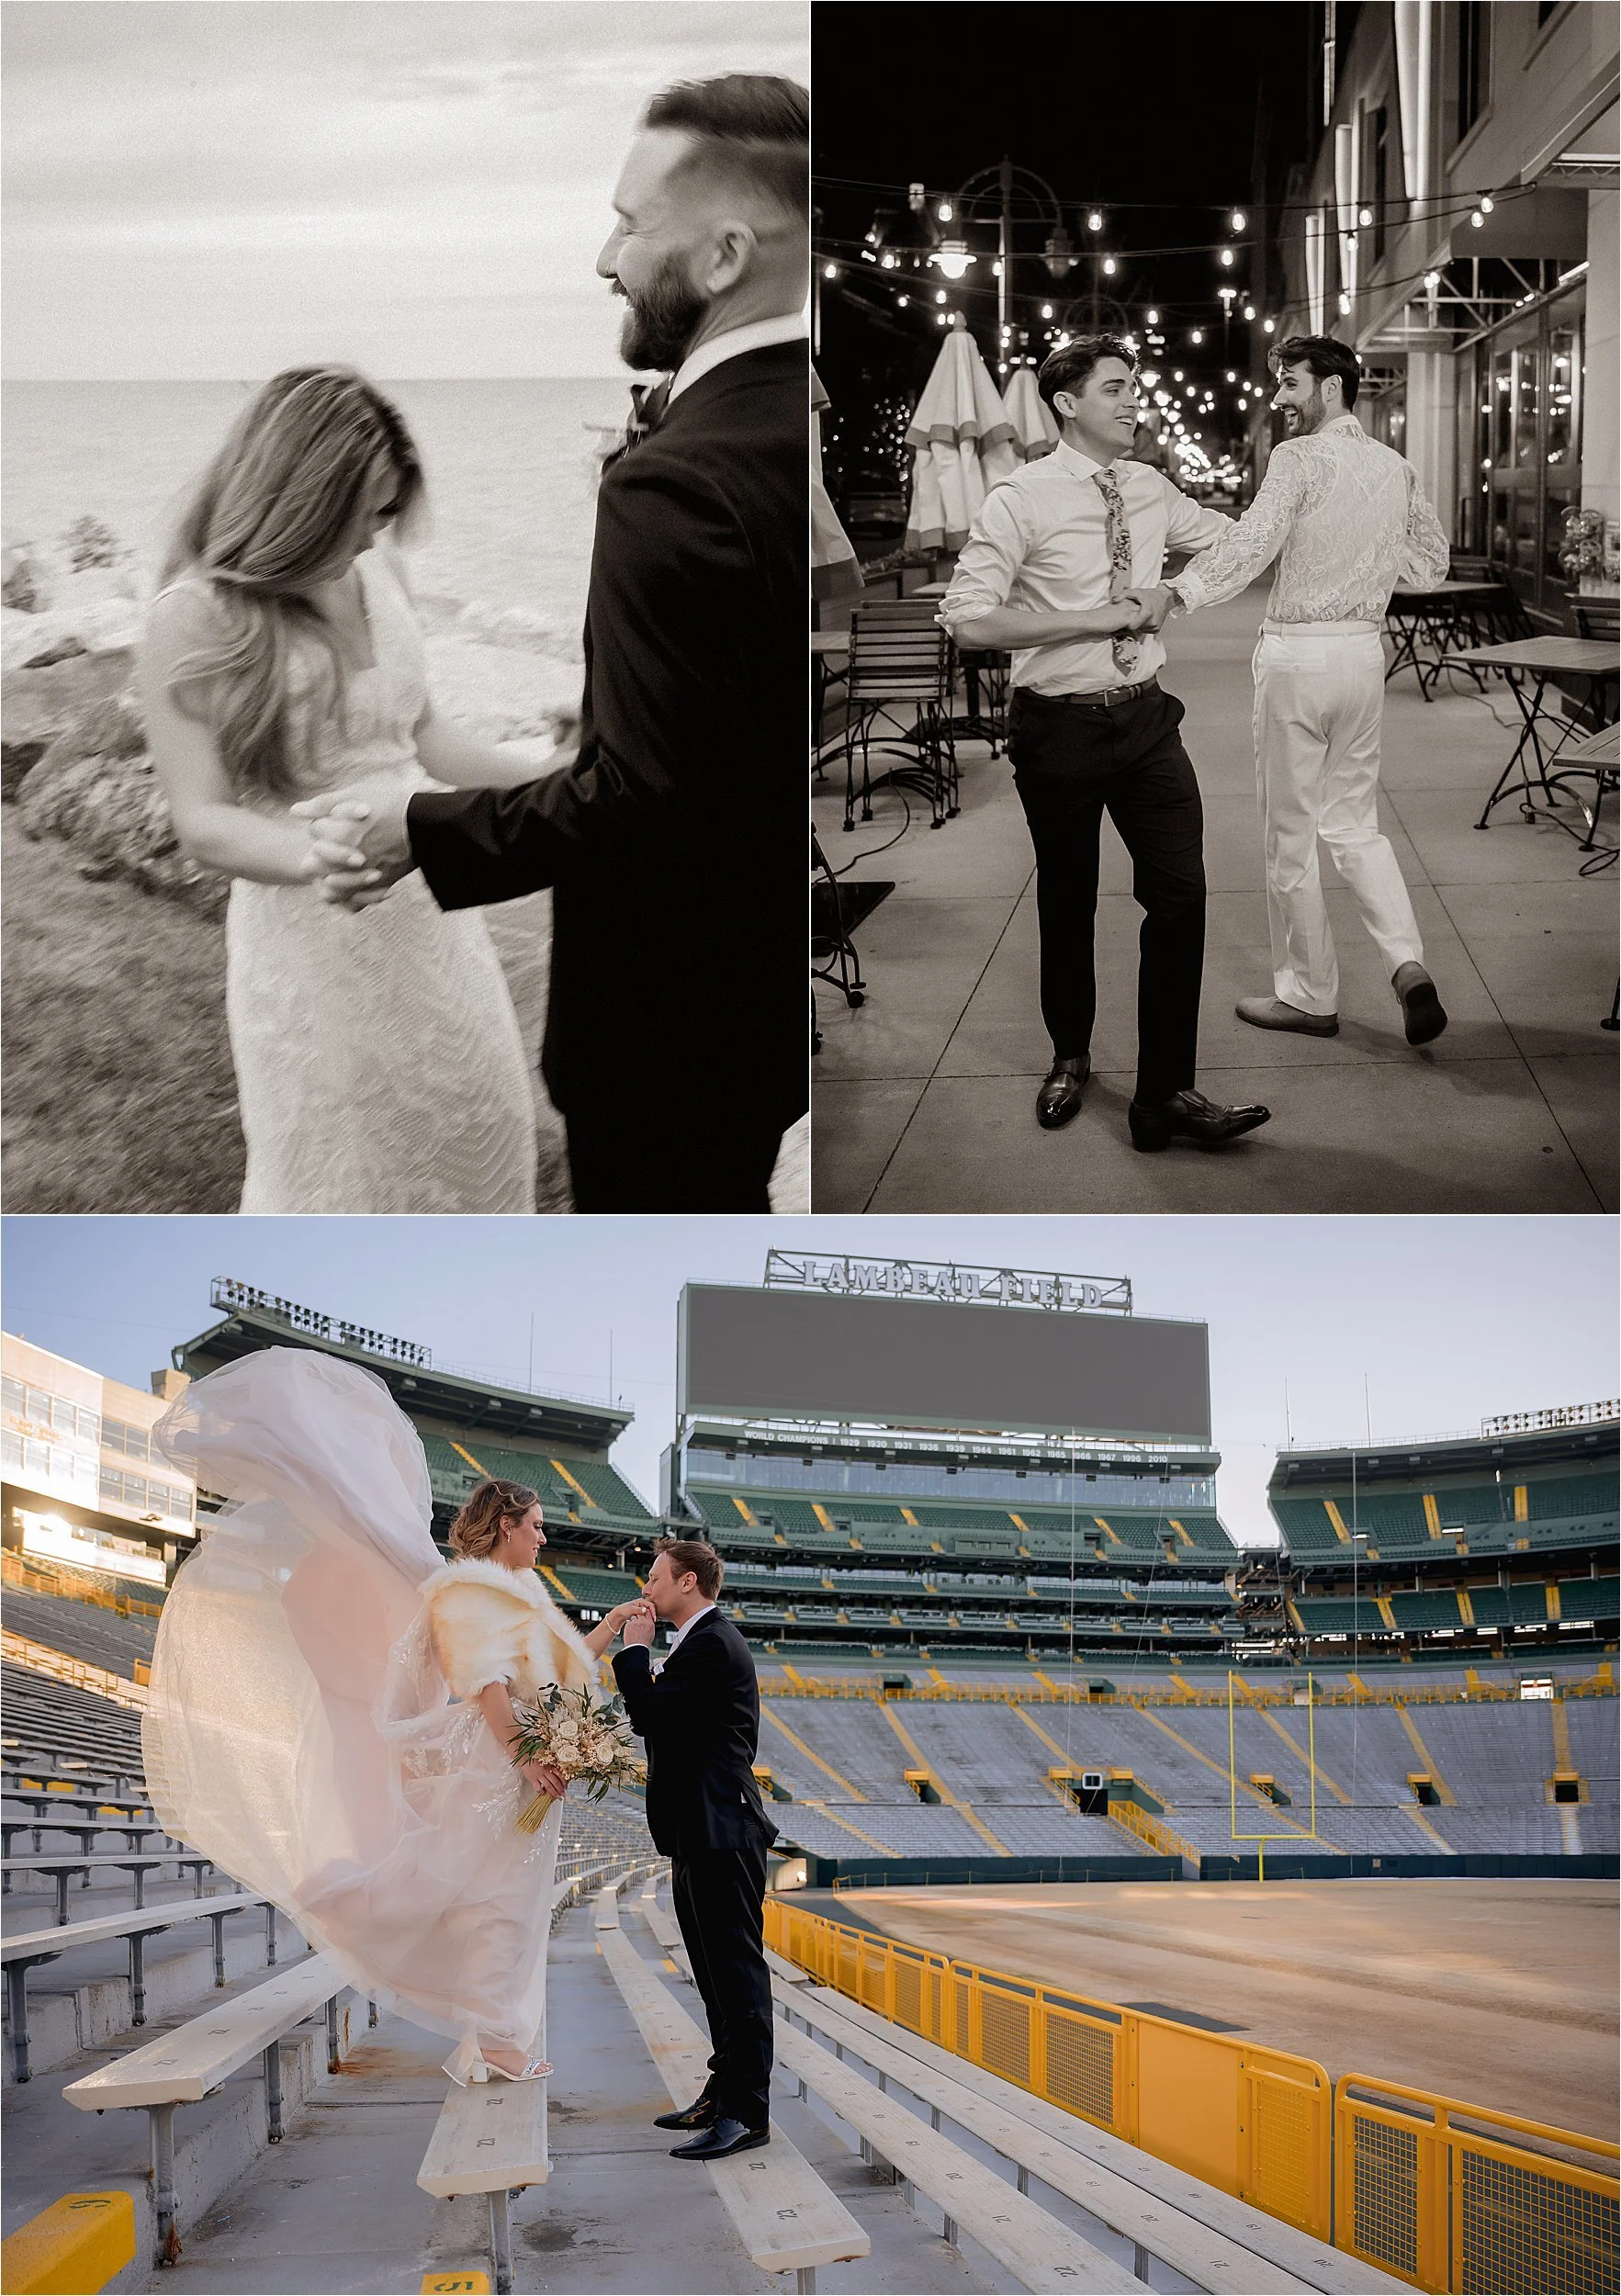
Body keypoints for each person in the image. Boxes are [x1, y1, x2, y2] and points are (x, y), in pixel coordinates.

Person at [294, 75, 810, 1212]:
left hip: (664, 1018)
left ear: (724, 256)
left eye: (629, 226)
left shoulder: (677, 478)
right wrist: (622, 716)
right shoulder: (788, 423)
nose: (603, 259)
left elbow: (641, 804)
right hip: (755, 997)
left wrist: (415, 829)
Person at [141, 1349, 653, 2088]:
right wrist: (527, 1757)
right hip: (503, 1765)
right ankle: (484, 2024)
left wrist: (610, 1631)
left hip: (522, 1766)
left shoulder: (509, 1594)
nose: (544, 1536)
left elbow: (556, 1670)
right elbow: (483, 1683)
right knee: (495, 1901)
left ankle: (488, 2028)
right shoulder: (475, 1590)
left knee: (498, 1898)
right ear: (505, 1524)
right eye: (535, 1524)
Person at [141, 366, 551, 1215]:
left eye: (388, 513)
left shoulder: (380, 576)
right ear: (299, 504)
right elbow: (201, 817)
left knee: (480, 1129)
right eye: (363, 513)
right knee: (342, 1178)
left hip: (433, 921)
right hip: (310, 935)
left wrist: (564, 767)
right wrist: (315, 856)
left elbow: (429, 741)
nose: (375, 537)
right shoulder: (190, 617)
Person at [940, 335, 1271, 1153]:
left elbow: (1235, 540)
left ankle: (1162, 1095)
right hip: (1059, 729)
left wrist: (1170, 591)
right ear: (1067, 403)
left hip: (1149, 718)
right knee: (1068, 901)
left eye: (1134, 387)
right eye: (1117, 388)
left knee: (1182, 899)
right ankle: (1070, 1055)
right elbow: (969, 618)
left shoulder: (1152, 488)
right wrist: (1098, 616)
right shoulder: (1017, 499)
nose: (1133, 402)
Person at [1132, 335, 1451, 1046]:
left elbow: (1251, 545)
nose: (1277, 399)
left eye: (1289, 383)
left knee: (1291, 836)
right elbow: (1430, 567)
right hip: (1362, 658)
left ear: (1331, 387)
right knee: (1354, 824)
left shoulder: (1297, 459)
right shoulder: (1395, 467)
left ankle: (1308, 995)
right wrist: (1361, 557)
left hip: (1298, 659)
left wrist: (1175, 593)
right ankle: (1405, 962)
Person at [613, 1537, 778, 2160]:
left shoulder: (712, 1642)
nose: (646, 1587)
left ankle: (747, 2113)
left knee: (736, 1976)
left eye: (654, 1577)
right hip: (699, 1829)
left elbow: (649, 1713)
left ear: (686, 1582)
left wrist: (633, 1650)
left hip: (721, 1830)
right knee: (713, 1977)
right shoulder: (698, 1641)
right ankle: (722, 2093)